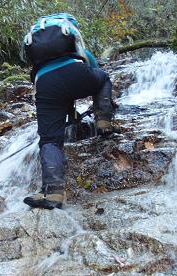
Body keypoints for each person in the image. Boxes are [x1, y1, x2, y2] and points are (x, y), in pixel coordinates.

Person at [22, 13, 114, 210]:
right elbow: (92, 70)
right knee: (103, 78)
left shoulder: (39, 54)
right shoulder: (77, 49)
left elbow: (53, 89)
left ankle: (54, 191)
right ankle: (104, 119)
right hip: (76, 72)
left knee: (49, 140)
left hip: (45, 83)